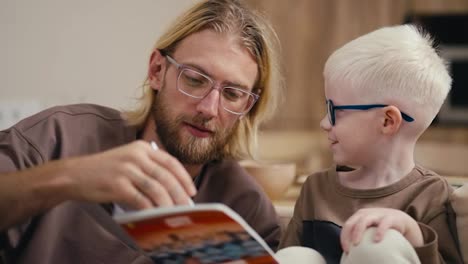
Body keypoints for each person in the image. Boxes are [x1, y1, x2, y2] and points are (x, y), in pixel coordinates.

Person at [0, 0, 284, 263]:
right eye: (195, 80)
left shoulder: (247, 209)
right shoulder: (57, 137)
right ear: (157, 70)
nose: (209, 108)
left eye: (232, 94)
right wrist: (69, 177)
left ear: (247, 105)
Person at [277, 25, 463, 264]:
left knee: (374, 244)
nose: (324, 123)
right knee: (297, 256)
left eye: (335, 111)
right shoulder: (316, 189)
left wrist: (411, 233)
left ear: (387, 121)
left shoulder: (432, 195)